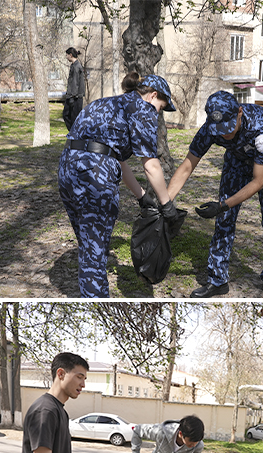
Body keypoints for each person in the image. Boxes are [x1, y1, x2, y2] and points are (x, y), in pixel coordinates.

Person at [59, 72, 179, 298]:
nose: (158, 113)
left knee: (88, 245)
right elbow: (151, 165)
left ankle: (90, 292)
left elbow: (114, 157)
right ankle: (95, 303)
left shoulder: (108, 104)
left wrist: (142, 196)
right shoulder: (142, 110)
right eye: (161, 107)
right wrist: (167, 204)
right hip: (94, 178)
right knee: (94, 254)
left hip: (68, 170)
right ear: (153, 96)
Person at [168, 90, 263, 298]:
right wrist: (165, 201)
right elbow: (187, 166)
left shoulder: (262, 131)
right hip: (236, 160)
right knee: (224, 220)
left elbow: (259, 181)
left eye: (228, 128)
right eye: (219, 130)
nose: (224, 134)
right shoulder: (210, 129)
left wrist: (223, 204)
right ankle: (217, 280)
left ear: (240, 112)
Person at [63, 48, 85, 131]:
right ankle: (73, 133)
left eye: (67, 55)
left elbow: (75, 83)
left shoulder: (76, 67)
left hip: (75, 97)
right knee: (66, 115)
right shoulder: (74, 65)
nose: (66, 57)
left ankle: (75, 135)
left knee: (74, 118)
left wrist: (72, 96)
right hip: (72, 96)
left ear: (70, 55)